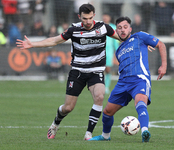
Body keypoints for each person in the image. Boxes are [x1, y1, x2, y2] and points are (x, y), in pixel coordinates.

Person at [16, 3, 120, 140]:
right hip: (77, 72)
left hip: (96, 71)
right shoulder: (73, 29)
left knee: (100, 97)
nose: (88, 21)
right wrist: (33, 44)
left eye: (90, 18)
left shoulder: (103, 27)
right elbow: (54, 41)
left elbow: (122, 37)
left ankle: (88, 134)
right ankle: (55, 124)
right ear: (79, 17)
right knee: (68, 107)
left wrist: (143, 41)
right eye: (84, 18)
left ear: (94, 15)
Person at [88, 16, 167, 142]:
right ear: (116, 31)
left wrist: (163, 65)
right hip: (123, 83)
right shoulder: (119, 51)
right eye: (119, 28)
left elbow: (161, 45)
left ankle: (145, 132)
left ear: (130, 28)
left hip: (139, 79)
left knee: (140, 102)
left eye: (125, 27)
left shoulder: (140, 37)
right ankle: (105, 136)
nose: (122, 30)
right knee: (107, 112)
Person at [102, 13, 119, 94]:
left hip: (109, 50)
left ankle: (106, 87)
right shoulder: (99, 26)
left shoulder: (114, 27)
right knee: (100, 69)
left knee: (108, 69)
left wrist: (117, 51)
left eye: (107, 16)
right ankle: (100, 86)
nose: (105, 17)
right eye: (104, 16)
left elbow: (115, 41)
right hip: (100, 50)